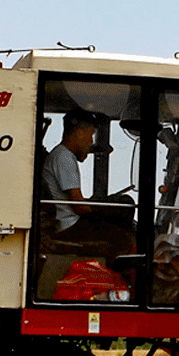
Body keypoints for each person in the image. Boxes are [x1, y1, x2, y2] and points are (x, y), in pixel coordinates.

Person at [40, 110, 136, 261]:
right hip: (69, 225)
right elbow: (79, 206)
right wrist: (105, 208)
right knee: (122, 234)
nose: (91, 142)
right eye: (90, 134)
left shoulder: (61, 155)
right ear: (78, 133)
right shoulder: (64, 157)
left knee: (123, 206)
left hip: (67, 221)